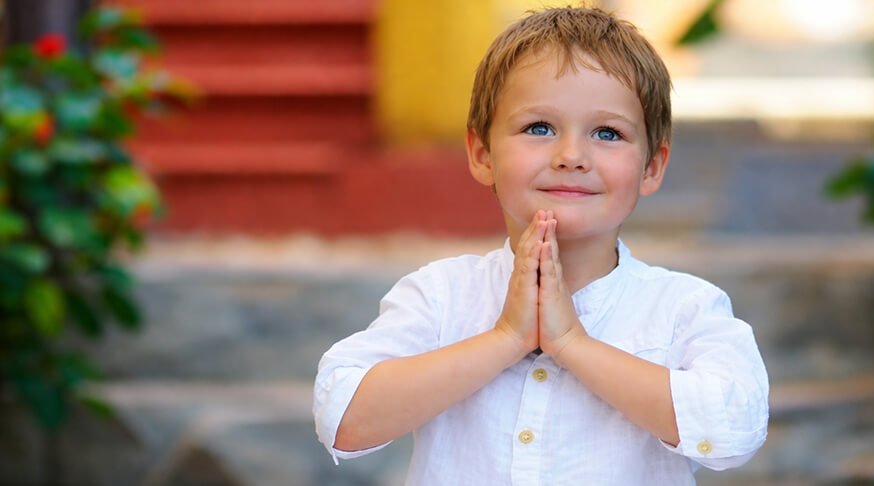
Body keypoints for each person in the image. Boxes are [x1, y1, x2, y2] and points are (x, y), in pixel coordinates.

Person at [313, 7, 768, 484]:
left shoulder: (683, 309)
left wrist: (572, 344)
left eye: (607, 133)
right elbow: (343, 418)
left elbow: (734, 430)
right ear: (481, 153)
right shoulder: (441, 296)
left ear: (652, 167)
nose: (571, 156)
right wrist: (505, 339)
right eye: (539, 128)